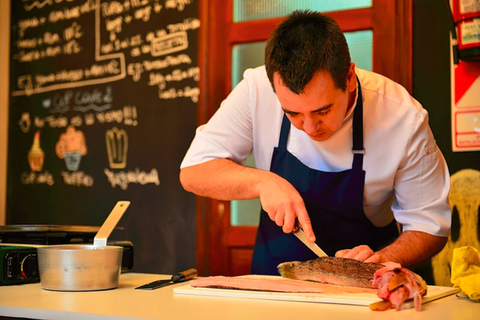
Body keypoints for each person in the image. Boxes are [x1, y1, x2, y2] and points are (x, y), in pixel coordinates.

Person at [180, 10, 451, 275]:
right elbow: (193, 171)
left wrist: (383, 259)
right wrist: (263, 182)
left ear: (349, 78)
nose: (309, 128)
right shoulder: (256, 90)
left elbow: (430, 226)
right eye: (293, 113)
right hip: (276, 279)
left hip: (363, 287)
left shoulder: (403, 118)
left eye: (322, 111)